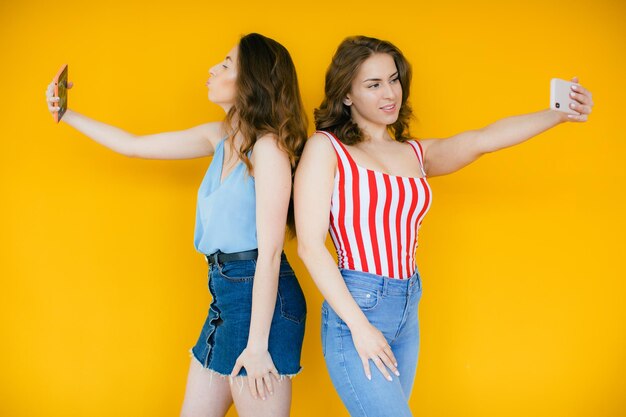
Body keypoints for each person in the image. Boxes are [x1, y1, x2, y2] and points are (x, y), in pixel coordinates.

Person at [294, 35, 593, 417]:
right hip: (358, 306)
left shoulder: (416, 153)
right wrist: (360, 328)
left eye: (393, 79)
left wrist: (558, 114)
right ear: (347, 95)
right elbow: (310, 247)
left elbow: (484, 139)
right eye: (373, 84)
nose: (390, 93)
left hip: (407, 304)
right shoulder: (327, 148)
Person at [46, 33, 308, 417]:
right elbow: (134, 145)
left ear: (252, 80)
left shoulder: (268, 149)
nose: (211, 70)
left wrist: (256, 346)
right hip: (224, 296)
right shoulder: (218, 136)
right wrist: (67, 114)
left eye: (225, 64)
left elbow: (268, 255)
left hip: (262, 303)